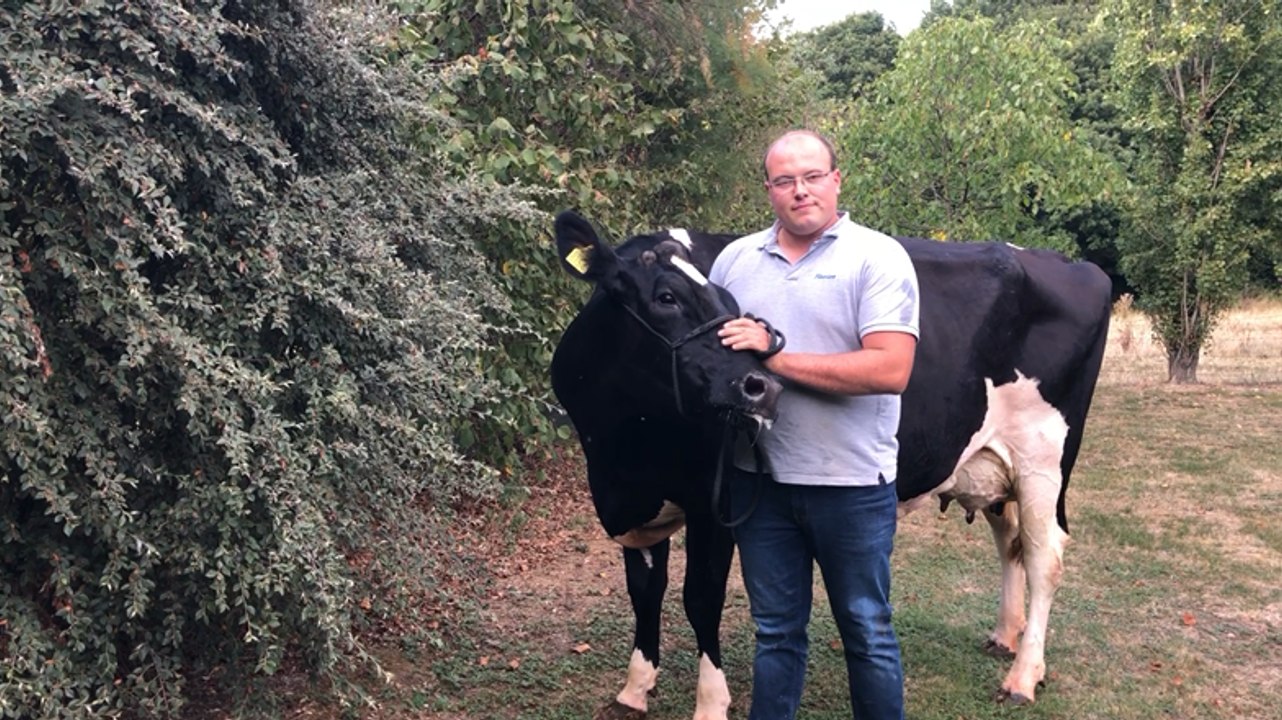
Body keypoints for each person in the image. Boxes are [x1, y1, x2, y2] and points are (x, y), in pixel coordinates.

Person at [709, 129, 919, 720]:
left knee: (866, 629)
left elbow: (891, 368)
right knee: (774, 631)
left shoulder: (876, 257)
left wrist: (774, 355)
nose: (799, 191)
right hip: (760, 484)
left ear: (835, 180)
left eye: (811, 177)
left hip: (850, 484)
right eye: (784, 180)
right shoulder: (735, 262)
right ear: (769, 189)